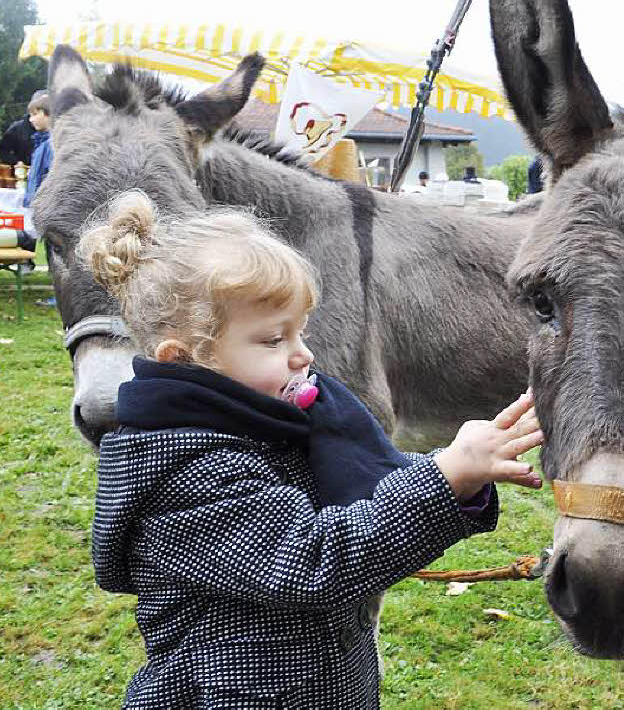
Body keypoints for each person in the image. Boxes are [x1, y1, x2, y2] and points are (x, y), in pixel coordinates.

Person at [77, 190, 544, 709]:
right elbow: (315, 557)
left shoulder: (260, 427)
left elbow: (357, 484)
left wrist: (457, 471)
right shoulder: (188, 472)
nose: (304, 355)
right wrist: (442, 480)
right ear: (185, 358)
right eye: (273, 341)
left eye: (300, 332)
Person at [23, 91, 53, 209]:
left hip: (46, 209)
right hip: (35, 207)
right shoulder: (40, 143)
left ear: (49, 114)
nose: (31, 120)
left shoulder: (52, 145)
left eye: (35, 114)